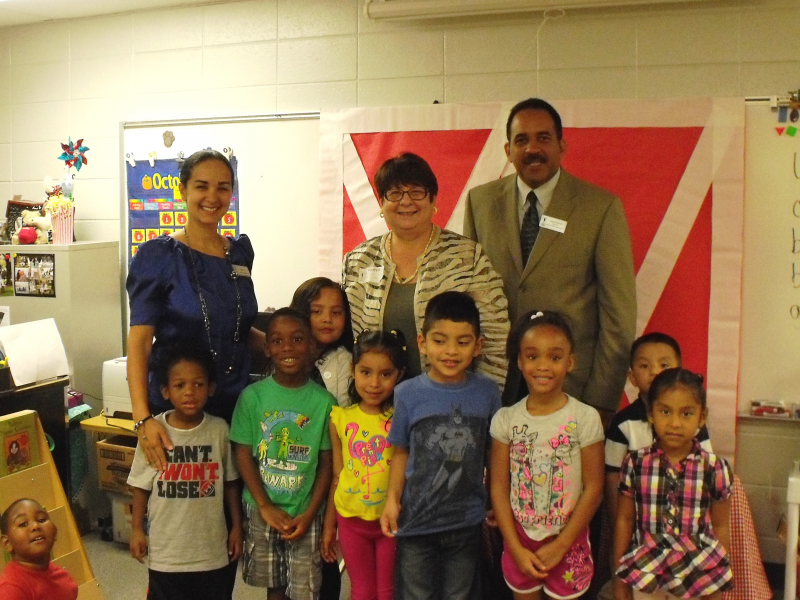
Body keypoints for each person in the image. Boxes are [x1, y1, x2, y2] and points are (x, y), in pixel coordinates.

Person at [464, 98, 636, 412]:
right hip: (492, 391)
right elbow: (468, 303)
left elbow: (618, 320)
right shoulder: (480, 203)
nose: (532, 149)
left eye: (543, 138)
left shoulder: (600, 208)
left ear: (561, 146)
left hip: (572, 392)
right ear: (508, 151)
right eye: (522, 140)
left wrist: (600, 404)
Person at [127, 149, 261, 472]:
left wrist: (283, 344)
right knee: (182, 498)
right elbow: (140, 343)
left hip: (236, 407)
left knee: (230, 497)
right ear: (182, 190)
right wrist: (142, 418)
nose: (212, 197)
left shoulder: (239, 254)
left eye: (223, 187)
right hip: (178, 410)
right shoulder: (159, 256)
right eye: (202, 186)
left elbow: (234, 324)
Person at [343, 152, 509, 389]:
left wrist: (485, 399)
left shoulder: (467, 257)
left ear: (433, 199)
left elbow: (495, 339)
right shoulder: (358, 261)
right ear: (381, 203)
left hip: (453, 400)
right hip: (375, 402)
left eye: (417, 192)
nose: (406, 201)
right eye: (395, 193)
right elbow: (348, 343)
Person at [380, 291, 501, 600]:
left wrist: (497, 501)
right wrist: (392, 500)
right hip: (416, 521)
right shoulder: (407, 393)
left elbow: (494, 454)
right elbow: (400, 451)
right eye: (440, 340)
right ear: (422, 342)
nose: (451, 351)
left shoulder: (488, 393)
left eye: (463, 342)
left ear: (478, 345)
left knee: (460, 595)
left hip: (466, 522)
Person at [489, 310, 604, 600]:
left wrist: (561, 545)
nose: (543, 366)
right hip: (520, 542)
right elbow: (499, 487)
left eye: (554, 357)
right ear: (519, 361)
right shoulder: (505, 420)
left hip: (569, 541)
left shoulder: (585, 417)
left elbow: (594, 488)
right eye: (532, 356)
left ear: (570, 362)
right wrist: (514, 547)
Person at [231, 307, 335, 600]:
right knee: (274, 586)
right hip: (261, 509)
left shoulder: (325, 402)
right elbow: (242, 454)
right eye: (277, 341)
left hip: (306, 511)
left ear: (311, 345)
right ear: (267, 348)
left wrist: (310, 513)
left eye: (297, 339)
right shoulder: (252, 397)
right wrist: (265, 505)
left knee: (305, 590)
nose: (287, 347)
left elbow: (327, 465)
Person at [599, 333, 712, 600]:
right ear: (631, 376)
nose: (654, 372)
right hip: (640, 530)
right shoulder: (623, 424)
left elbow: (706, 473)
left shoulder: (695, 424)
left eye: (664, 365)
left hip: (687, 535)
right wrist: (619, 523)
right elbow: (612, 478)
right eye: (644, 365)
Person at [127, 345, 242, 600]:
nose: (189, 392)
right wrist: (136, 529)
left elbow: (231, 483)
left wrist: (236, 527)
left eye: (198, 384)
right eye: (179, 385)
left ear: (211, 388)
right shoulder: (153, 432)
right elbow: (140, 487)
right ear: (166, 391)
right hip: (167, 554)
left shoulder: (219, 430)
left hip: (210, 552)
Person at [613, 368, 733, 600]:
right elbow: (624, 520)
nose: (675, 423)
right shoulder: (635, 463)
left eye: (686, 413)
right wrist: (619, 582)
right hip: (646, 569)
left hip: (697, 571)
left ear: (702, 417)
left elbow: (720, 526)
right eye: (665, 411)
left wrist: (716, 584)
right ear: (651, 413)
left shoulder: (715, 468)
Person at [322, 330, 408, 600]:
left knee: (387, 591)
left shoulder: (401, 420)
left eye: (385, 374)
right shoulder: (339, 419)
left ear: (400, 375)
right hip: (350, 520)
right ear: (353, 370)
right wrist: (329, 525)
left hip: (390, 521)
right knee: (361, 590)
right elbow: (337, 476)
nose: (374, 383)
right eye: (366, 372)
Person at [291, 277, 355, 407]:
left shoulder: (345, 360)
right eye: (316, 311)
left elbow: (344, 411)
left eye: (336, 312)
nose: (327, 319)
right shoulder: (286, 354)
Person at [0, 499, 78, 600]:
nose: (35, 526)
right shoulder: (10, 589)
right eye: (23, 524)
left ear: (55, 531)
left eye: (41, 520)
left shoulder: (62, 575)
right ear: (7, 543)